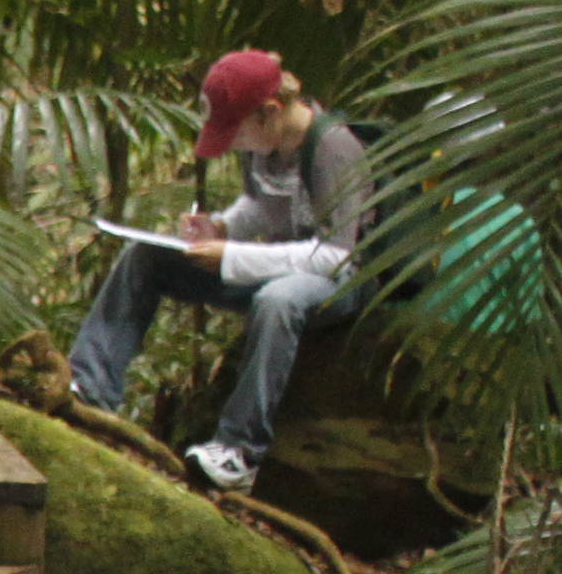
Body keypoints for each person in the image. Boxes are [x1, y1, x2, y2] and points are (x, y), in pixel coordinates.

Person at [65, 48, 371, 493]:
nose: (233, 144)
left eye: (237, 131)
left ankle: (240, 451)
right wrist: (222, 226)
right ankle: (90, 388)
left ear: (271, 113)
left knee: (279, 298)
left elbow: (335, 255)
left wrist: (231, 257)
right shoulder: (263, 147)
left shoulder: (334, 149)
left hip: (343, 280)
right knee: (144, 256)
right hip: (282, 263)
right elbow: (263, 205)